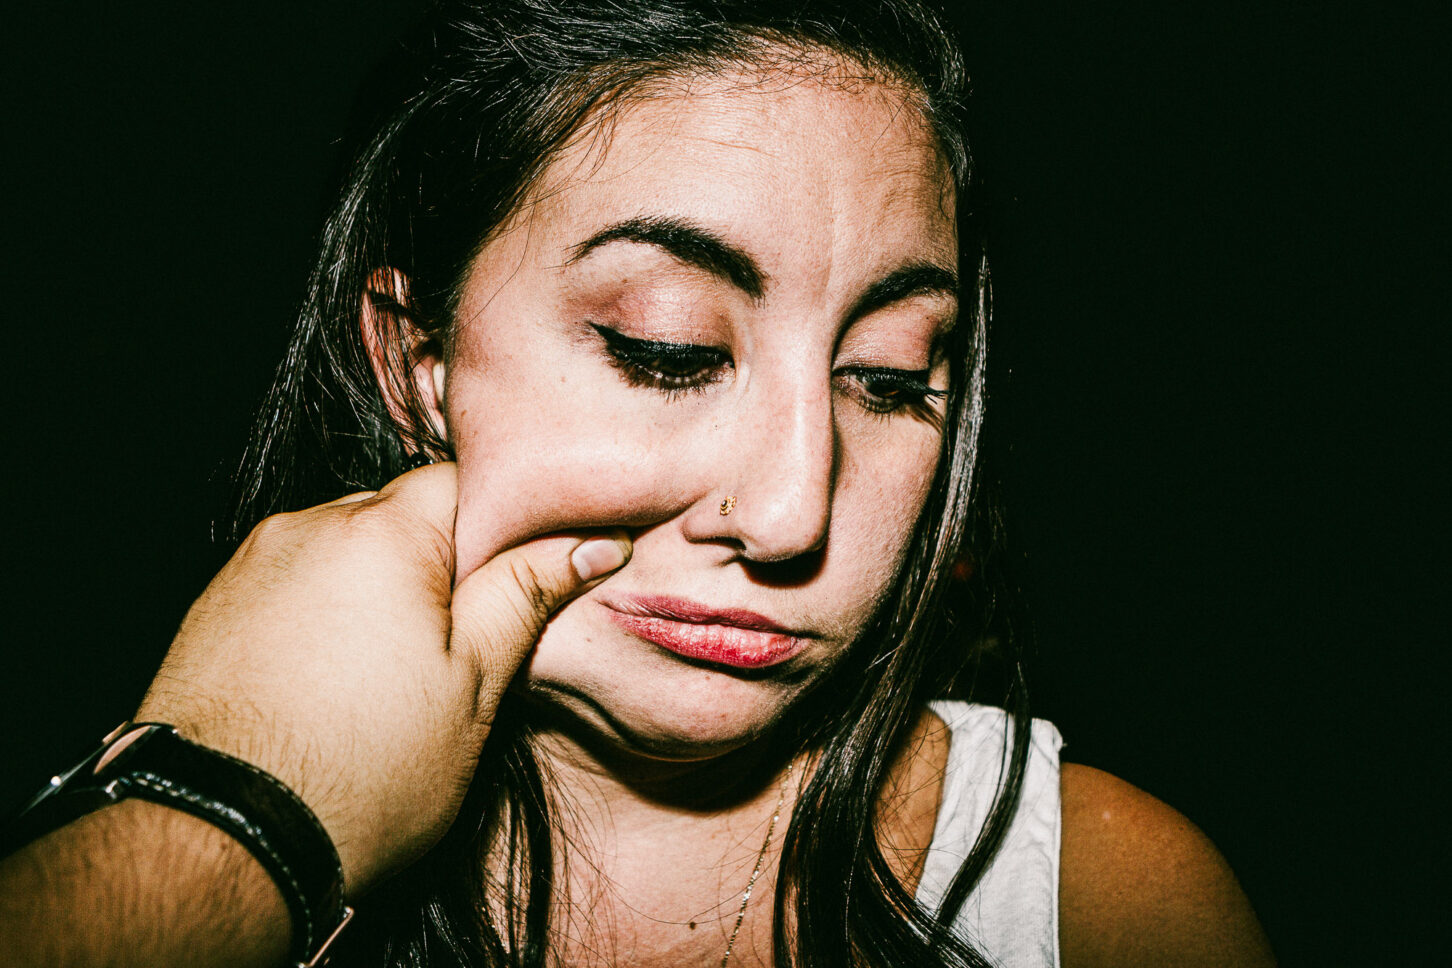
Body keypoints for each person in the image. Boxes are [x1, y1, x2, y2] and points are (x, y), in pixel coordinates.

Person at [0, 1, 1276, 966]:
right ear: (418, 363)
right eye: (667, 349)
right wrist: (237, 831)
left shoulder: (1098, 903)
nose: (791, 514)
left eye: (888, 377)